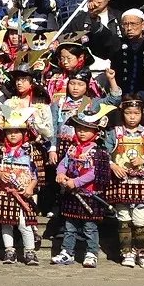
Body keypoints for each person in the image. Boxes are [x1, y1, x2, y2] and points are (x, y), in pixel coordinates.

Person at [104, 96, 144, 268]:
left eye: (136, 113)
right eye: (128, 113)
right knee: (123, 217)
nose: (132, 117)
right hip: (120, 182)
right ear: (122, 114)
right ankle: (126, 253)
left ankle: (141, 253)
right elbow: (103, 153)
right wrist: (113, 165)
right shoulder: (114, 133)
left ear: (142, 113)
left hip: (140, 182)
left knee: (140, 219)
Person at [53, 106, 114, 267]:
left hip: (89, 194)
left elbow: (94, 173)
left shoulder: (98, 151)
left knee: (89, 228)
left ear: (96, 132)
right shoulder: (71, 148)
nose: (82, 132)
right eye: (79, 128)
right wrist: (60, 174)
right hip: (71, 194)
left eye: (87, 129)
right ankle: (67, 252)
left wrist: (76, 182)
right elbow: (63, 164)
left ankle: (91, 253)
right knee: (69, 226)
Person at [0, 106, 44, 265]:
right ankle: (9, 251)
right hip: (4, 192)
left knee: (24, 224)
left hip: (23, 192)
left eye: (17, 131)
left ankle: (29, 252)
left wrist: (31, 187)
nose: (13, 135)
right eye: (10, 131)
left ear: (24, 133)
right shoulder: (0, 150)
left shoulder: (30, 150)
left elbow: (36, 173)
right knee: (6, 223)